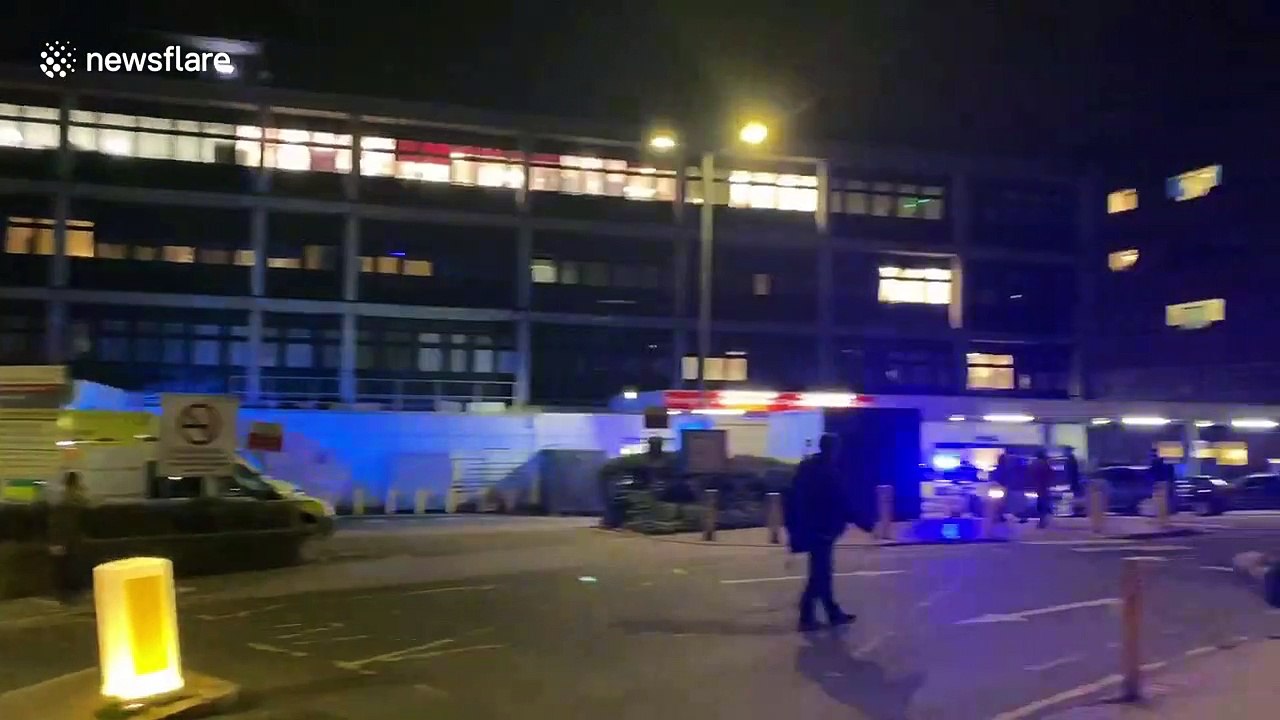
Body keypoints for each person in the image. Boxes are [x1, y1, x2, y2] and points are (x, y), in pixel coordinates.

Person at [788, 433, 857, 632]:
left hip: (817, 528)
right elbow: (835, 501)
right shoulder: (825, 471)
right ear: (832, 448)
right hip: (821, 529)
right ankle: (807, 614)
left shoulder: (813, 468)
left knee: (821, 573)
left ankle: (830, 612)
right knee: (820, 574)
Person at [48, 471, 89, 603]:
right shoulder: (67, 504)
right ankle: (68, 593)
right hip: (67, 539)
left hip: (69, 539)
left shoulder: (66, 503)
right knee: (67, 565)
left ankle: (68, 593)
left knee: (68, 565)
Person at [1029, 449, 1054, 528]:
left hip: (1037, 485)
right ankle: (1042, 520)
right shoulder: (1044, 463)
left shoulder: (1034, 463)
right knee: (1044, 502)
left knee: (1040, 502)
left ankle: (1041, 520)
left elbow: (1030, 474)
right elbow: (1050, 473)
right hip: (1044, 486)